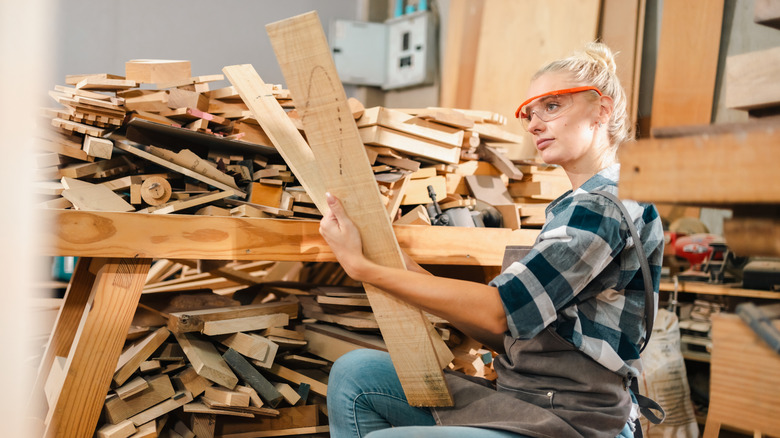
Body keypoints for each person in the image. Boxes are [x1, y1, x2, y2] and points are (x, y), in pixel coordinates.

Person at [318, 41, 664, 438]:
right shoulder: (574, 206)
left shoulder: (605, 206)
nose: (534, 124)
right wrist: (389, 254)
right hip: (529, 399)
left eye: (552, 107)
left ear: (601, 110)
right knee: (356, 374)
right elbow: (512, 329)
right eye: (529, 114)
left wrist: (361, 268)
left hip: (576, 419)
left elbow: (499, 312)